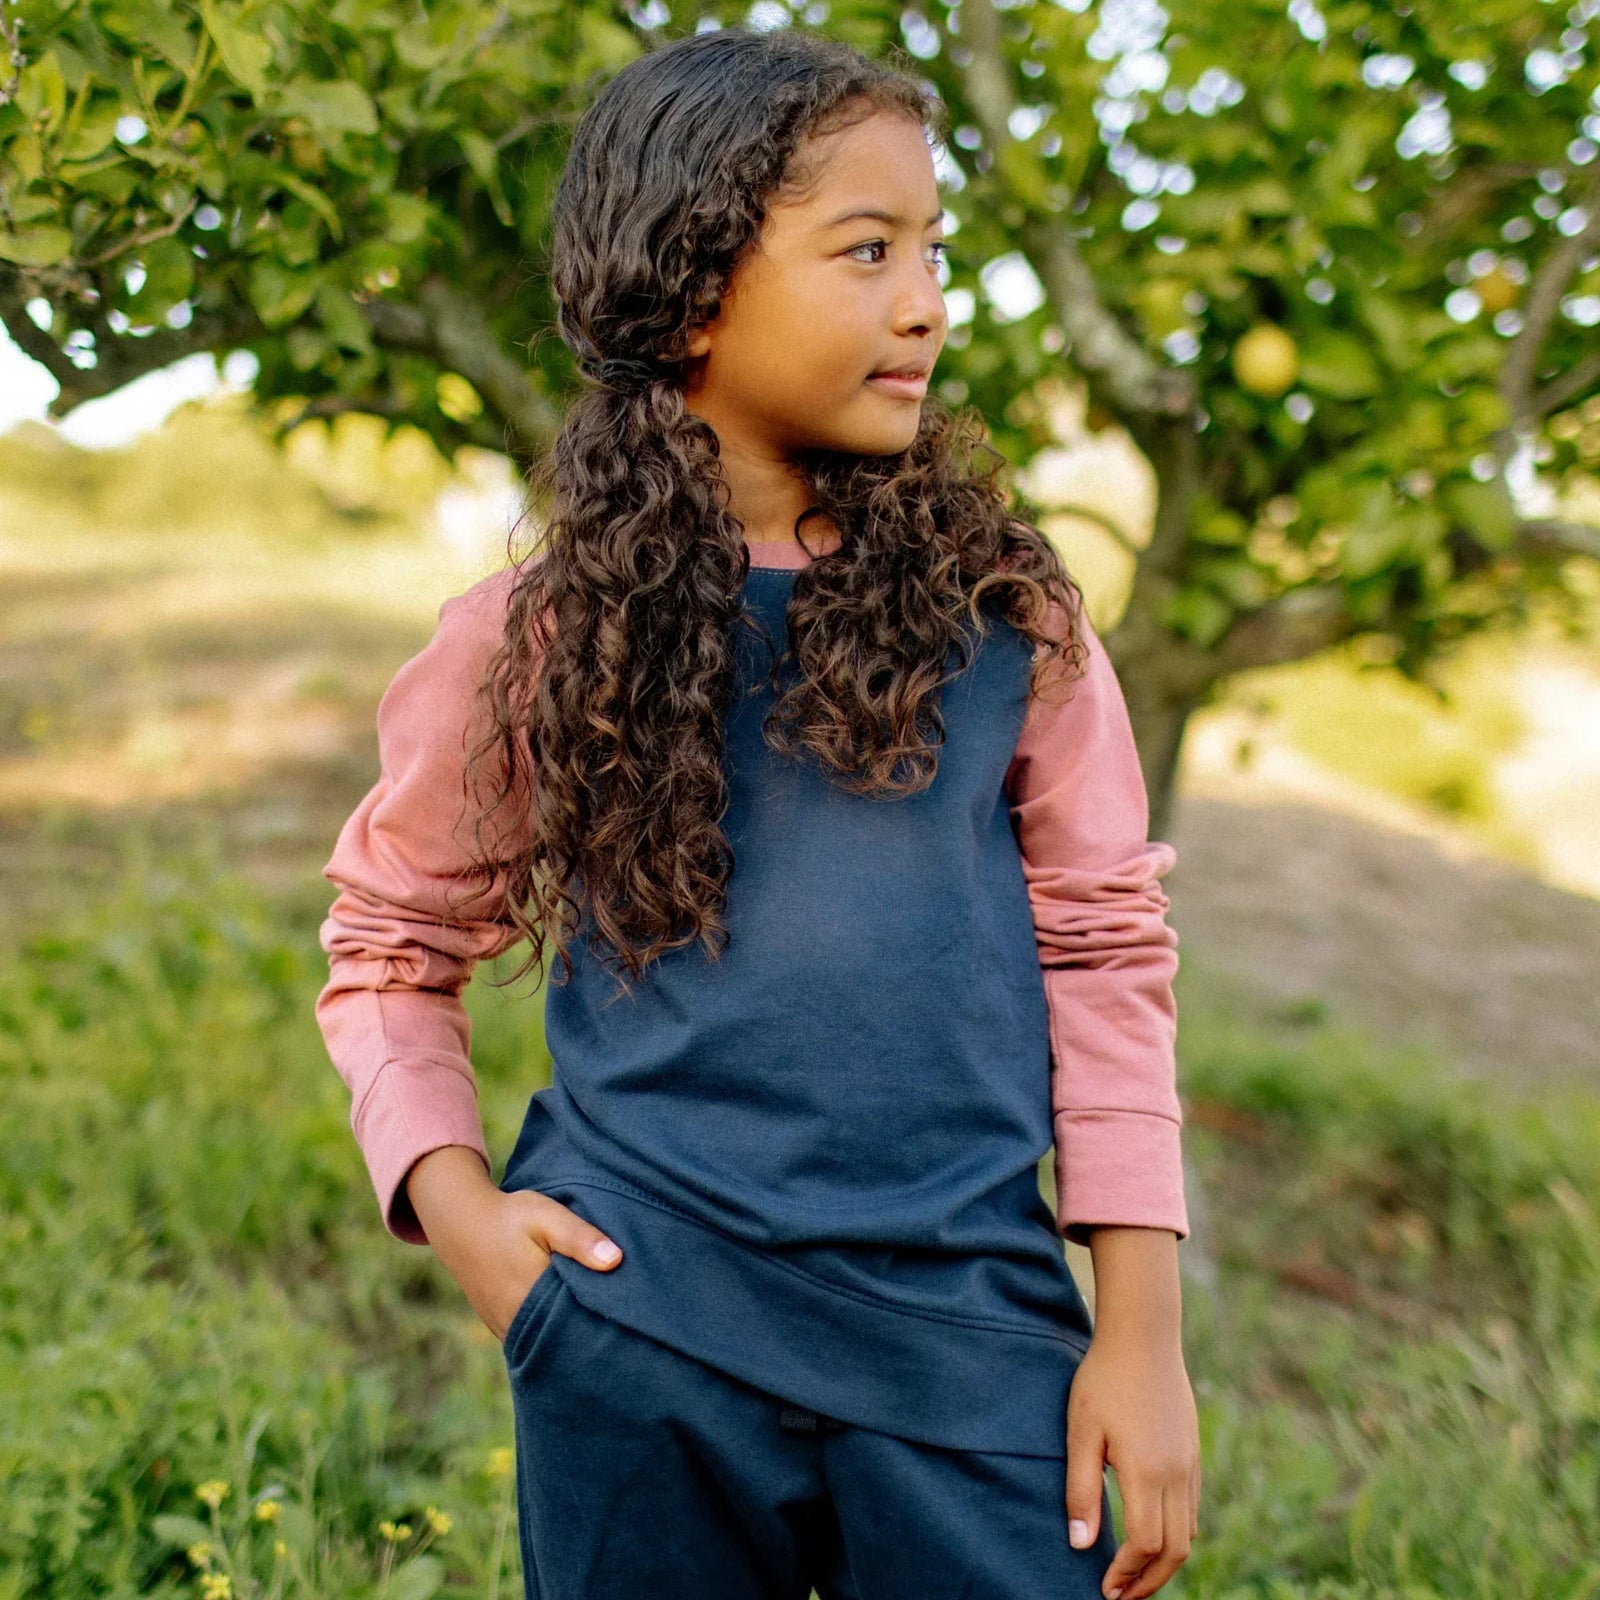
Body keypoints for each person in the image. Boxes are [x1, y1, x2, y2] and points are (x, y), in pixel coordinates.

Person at [315, 25, 1200, 1600]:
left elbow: (1106, 951)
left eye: (934, 250)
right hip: (641, 1335)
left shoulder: (1012, 619)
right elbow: (391, 946)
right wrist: (464, 1219)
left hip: (968, 1345)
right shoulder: (536, 637)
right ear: (694, 285)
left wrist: (1142, 1340)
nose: (927, 303)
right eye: (867, 250)